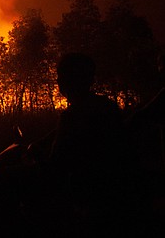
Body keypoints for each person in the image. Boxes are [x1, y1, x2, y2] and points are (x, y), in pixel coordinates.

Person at [47, 52, 134, 236]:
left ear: (68, 80)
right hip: (116, 191)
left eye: (60, 76)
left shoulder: (72, 115)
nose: (58, 81)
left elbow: (57, 163)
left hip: (87, 194)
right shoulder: (107, 107)